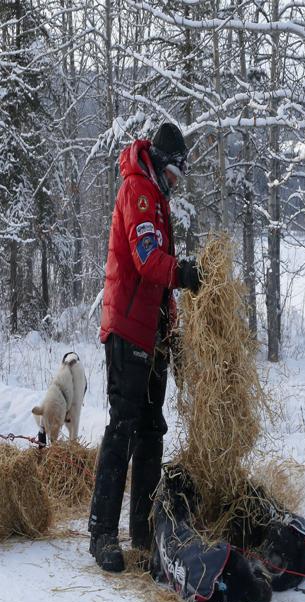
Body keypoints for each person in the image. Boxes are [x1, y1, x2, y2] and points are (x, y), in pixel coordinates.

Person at [88, 123, 203, 572]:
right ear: (158, 161)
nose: (175, 184)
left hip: (151, 331)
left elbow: (162, 287)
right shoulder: (137, 191)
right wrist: (183, 271)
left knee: (152, 429)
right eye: (173, 174)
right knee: (123, 427)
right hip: (127, 330)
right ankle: (101, 534)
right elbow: (147, 260)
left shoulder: (158, 199)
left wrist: (171, 330)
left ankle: (142, 529)